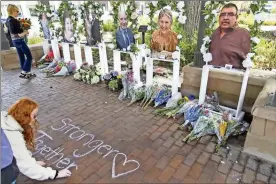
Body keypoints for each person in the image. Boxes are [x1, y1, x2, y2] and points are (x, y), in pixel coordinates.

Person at [1, 98, 72, 181]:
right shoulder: (12, 135)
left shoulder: (6, 120)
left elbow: (19, 154)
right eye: (34, 116)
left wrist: (32, 162)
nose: (35, 119)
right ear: (24, 116)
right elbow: (25, 165)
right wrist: (55, 174)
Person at [209, 3, 251, 69]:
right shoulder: (215, 33)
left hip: (231, 76)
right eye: (222, 15)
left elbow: (246, 60)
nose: (225, 18)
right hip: (210, 75)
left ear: (236, 18)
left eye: (230, 14)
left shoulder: (242, 34)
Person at [5, 4, 36, 79]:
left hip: (15, 41)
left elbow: (9, 33)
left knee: (21, 56)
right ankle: (24, 71)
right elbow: (15, 32)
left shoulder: (7, 20)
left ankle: (26, 73)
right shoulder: (13, 20)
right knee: (29, 56)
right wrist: (25, 32)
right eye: (17, 11)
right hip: (19, 41)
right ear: (12, 11)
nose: (18, 12)